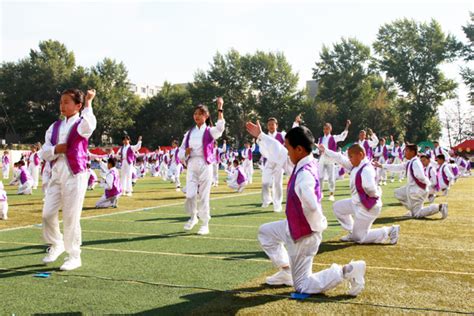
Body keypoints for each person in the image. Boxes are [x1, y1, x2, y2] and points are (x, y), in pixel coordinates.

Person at [246, 120, 366, 296]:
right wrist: (261, 136)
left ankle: (347, 271)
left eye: (289, 148)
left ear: (299, 150)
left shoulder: (304, 174)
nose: (286, 151)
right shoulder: (300, 162)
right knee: (265, 233)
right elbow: (279, 153)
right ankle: (287, 270)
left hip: (304, 235)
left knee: (302, 285)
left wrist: (318, 225)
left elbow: (310, 203)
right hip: (294, 226)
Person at [40, 88, 97, 271]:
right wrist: (57, 149)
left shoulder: (81, 123)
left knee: (71, 216)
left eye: (67, 102)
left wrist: (89, 102)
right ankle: (56, 243)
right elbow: (44, 152)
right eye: (61, 102)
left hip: (75, 173)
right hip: (57, 173)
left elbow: (90, 125)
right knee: (47, 213)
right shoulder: (54, 127)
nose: (62, 106)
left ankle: (74, 255)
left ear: (77, 106)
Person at [318, 143, 399, 244]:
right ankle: (353, 231)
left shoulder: (366, 169)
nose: (349, 159)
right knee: (337, 207)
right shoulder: (357, 164)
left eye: (351, 157)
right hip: (357, 202)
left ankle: (390, 230)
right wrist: (325, 150)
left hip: (367, 207)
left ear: (360, 155)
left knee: (360, 239)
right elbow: (340, 158)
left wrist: (376, 193)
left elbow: (370, 188)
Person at [178, 97, 225, 235]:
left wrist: (220, 107)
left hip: (205, 163)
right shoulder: (189, 133)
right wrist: (185, 153)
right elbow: (181, 150)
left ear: (206, 116)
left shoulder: (209, 131)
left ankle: (205, 223)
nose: (196, 116)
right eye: (195, 114)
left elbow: (220, 128)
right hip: (192, 163)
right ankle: (193, 217)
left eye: (200, 114)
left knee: (204, 195)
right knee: (190, 194)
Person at [374, 144, 448, 219]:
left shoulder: (415, 162)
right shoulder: (411, 162)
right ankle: (413, 210)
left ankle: (439, 207)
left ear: (412, 152)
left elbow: (420, 176)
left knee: (417, 214)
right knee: (398, 193)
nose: (404, 152)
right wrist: (381, 165)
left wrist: (426, 185)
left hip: (417, 190)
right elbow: (398, 167)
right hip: (412, 188)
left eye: (406, 150)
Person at [316, 120, 350, 201]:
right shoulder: (320, 139)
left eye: (327, 128)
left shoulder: (334, 138)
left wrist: (347, 126)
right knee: (320, 177)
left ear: (330, 129)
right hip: (322, 158)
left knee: (331, 178)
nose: (325, 130)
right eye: (324, 129)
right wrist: (319, 151)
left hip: (330, 159)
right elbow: (318, 150)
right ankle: (320, 193)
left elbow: (342, 136)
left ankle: (331, 194)